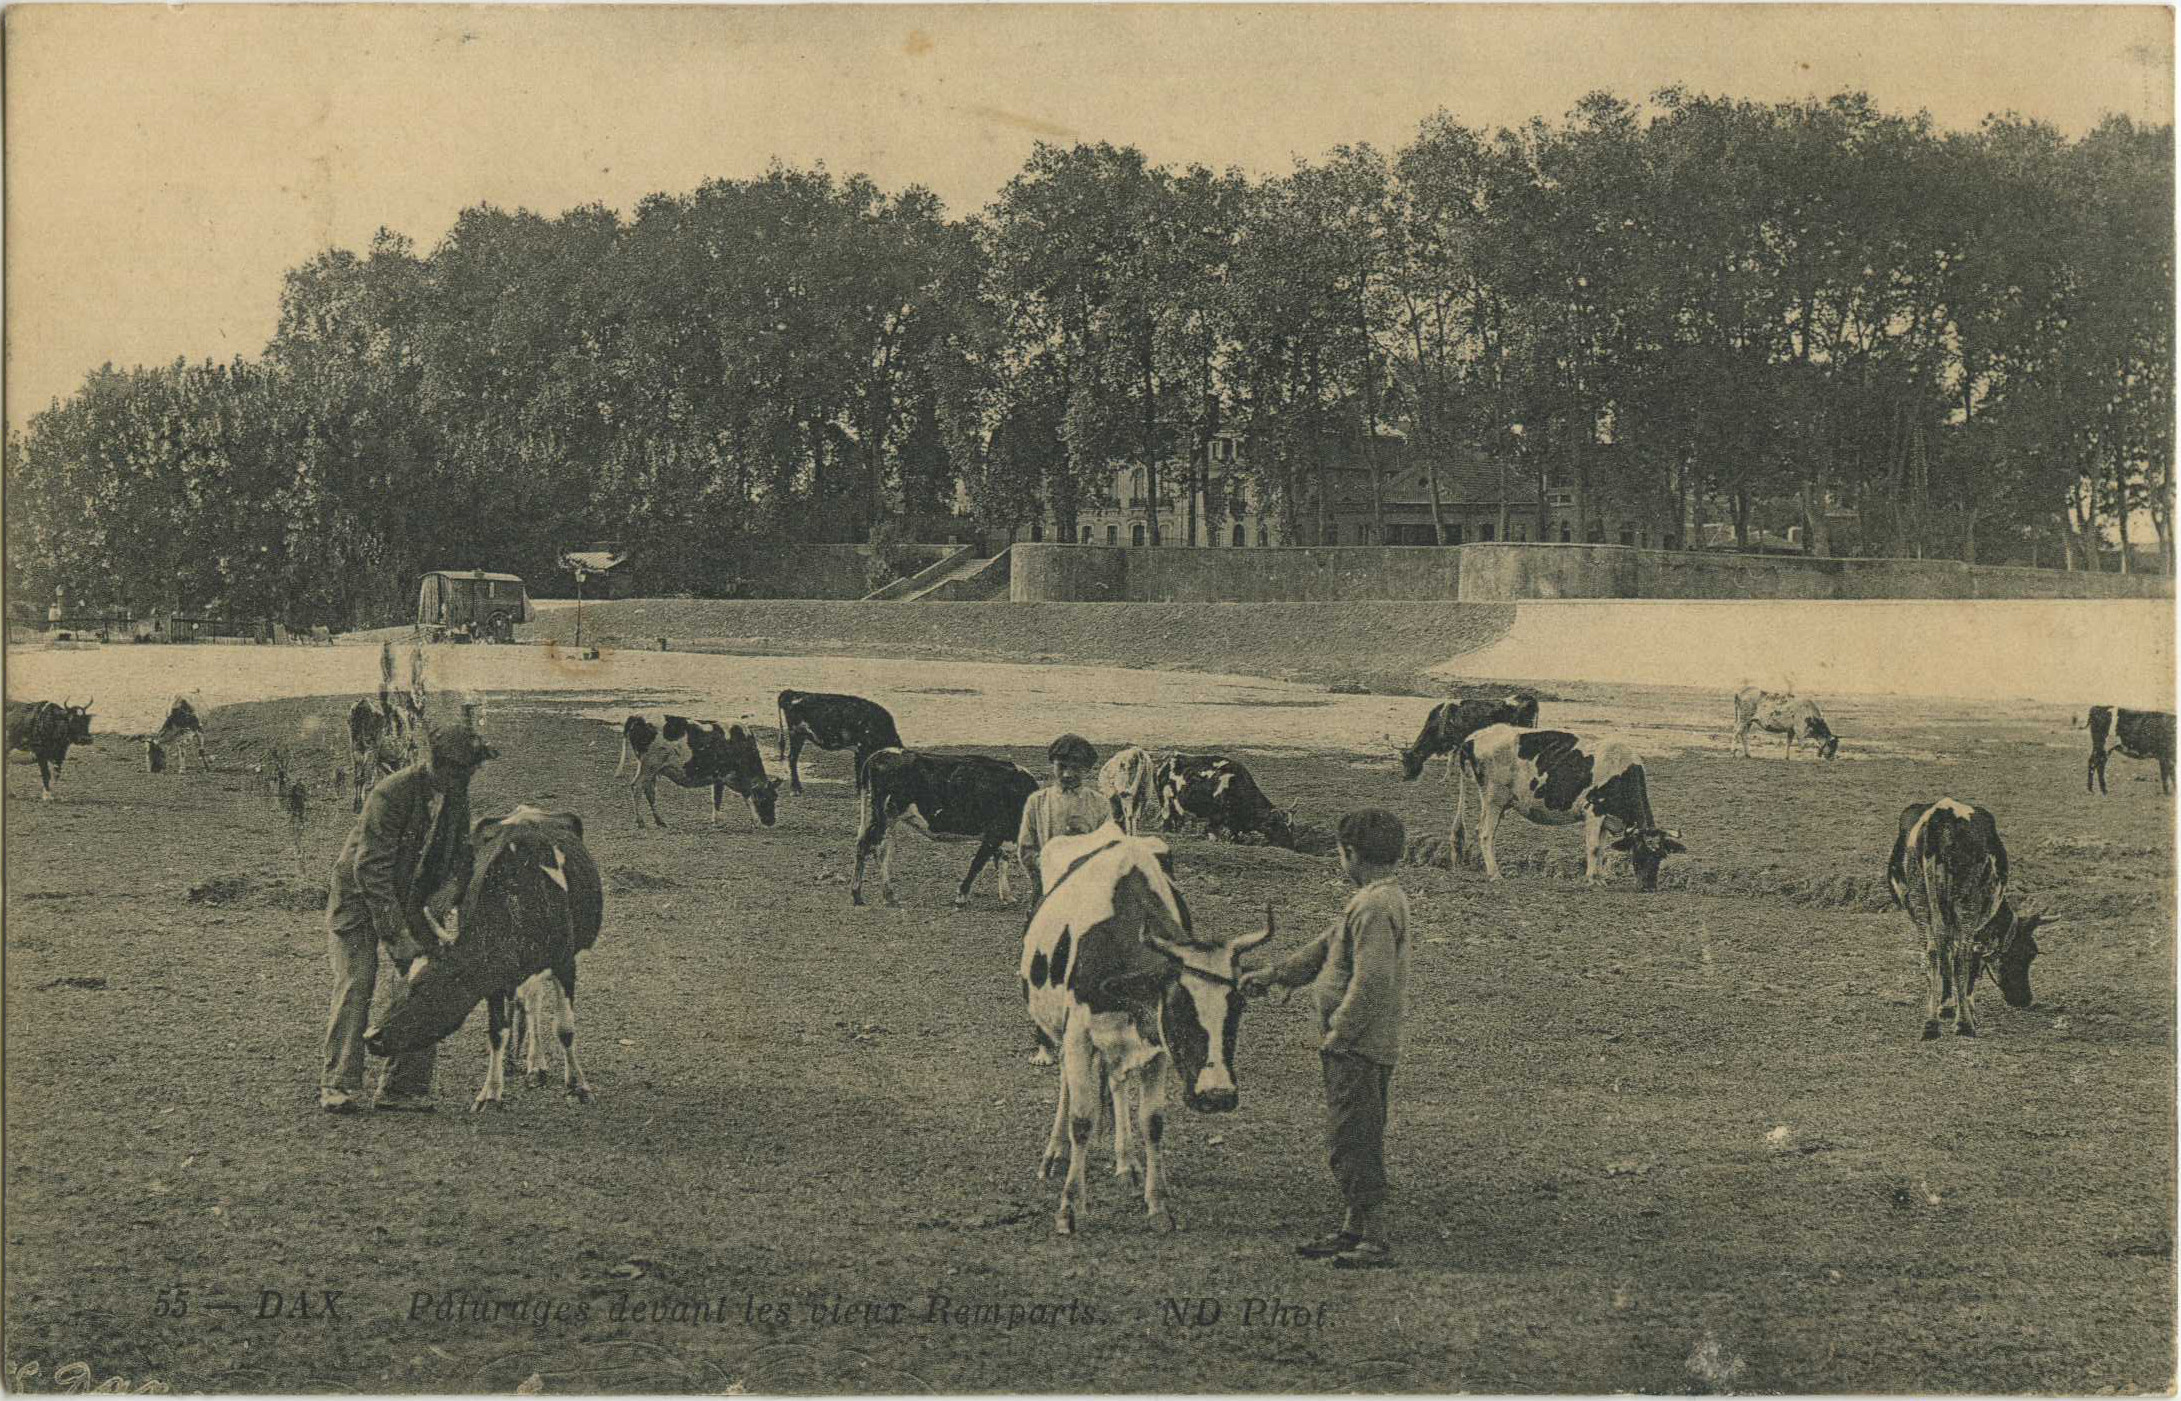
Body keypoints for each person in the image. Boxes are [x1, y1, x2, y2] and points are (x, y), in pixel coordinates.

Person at [1240, 807, 1410, 1269]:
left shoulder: (1375, 907)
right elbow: (1325, 948)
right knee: (1356, 1133)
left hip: (1357, 1047)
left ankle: (1374, 1239)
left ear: (1350, 854)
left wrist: (1340, 1033)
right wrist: (1275, 976)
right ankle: (1353, 1228)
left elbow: (1372, 981)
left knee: (1352, 1139)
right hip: (1361, 1044)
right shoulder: (1372, 900)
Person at [319, 721, 494, 1114]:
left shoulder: (456, 796)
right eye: (460, 770)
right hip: (360, 900)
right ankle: (339, 1085)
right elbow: (370, 871)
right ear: (436, 764)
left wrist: (450, 890)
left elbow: (462, 855)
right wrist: (398, 936)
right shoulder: (391, 793)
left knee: (425, 983)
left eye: (470, 771)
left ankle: (403, 1088)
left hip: (410, 898)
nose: (466, 779)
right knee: (356, 982)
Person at [1016, 733, 1116, 904]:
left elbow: (1110, 849)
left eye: (1076, 768)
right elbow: (1026, 849)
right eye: (1061, 767)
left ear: (1086, 769)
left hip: (1088, 893)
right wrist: (1044, 864)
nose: (1067, 774)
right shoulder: (1037, 802)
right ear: (1053, 766)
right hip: (1047, 889)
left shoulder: (1099, 804)